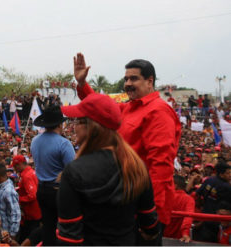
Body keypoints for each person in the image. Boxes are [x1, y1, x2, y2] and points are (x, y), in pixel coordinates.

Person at [73, 53, 181, 240]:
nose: (128, 83)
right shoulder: (129, 107)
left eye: (134, 78)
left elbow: (161, 166)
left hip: (142, 208)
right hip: (125, 202)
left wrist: (150, 214)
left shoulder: (159, 111)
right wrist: (82, 84)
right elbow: (101, 106)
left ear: (150, 81)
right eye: (126, 79)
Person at [56, 93, 160, 245]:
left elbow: (69, 238)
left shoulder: (74, 171)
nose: (73, 127)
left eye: (77, 121)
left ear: (90, 126)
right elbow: (150, 224)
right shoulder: (136, 165)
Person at [31, 106, 75, 246]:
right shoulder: (64, 143)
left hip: (42, 190)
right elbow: (72, 171)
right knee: (65, 227)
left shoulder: (34, 141)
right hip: (58, 191)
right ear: (60, 124)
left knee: (48, 227)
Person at [194, 160, 231, 242]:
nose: (230, 175)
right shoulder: (227, 187)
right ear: (221, 174)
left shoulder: (209, 180)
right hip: (218, 221)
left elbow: (198, 194)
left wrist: (203, 205)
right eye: (228, 173)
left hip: (205, 217)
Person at [11, 155, 42, 243]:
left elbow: (32, 195)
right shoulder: (31, 172)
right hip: (34, 212)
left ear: (19, 164)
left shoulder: (27, 176)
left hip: (32, 214)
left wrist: (19, 199)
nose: (14, 168)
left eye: (15, 166)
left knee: (31, 239)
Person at [0, 163, 21, 238]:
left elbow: (16, 213)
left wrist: (12, 234)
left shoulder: (8, 191)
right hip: (2, 231)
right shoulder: (1, 188)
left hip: (8, 234)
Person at [163, 175, 195, 243]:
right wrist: (185, 233)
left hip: (163, 236)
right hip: (179, 239)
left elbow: (188, 216)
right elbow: (188, 216)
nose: (166, 186)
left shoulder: (164, 196)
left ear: (175, 185)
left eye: (169, 184)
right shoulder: (189, 199)